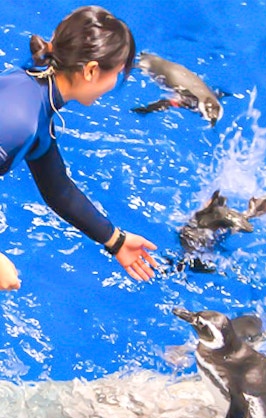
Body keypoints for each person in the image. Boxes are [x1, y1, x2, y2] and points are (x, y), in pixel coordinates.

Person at [0, 6, 157, 282]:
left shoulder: (37, 93)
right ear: (92, 70)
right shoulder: (20, 120)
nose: (113, 85)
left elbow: (58, 190)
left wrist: (115, 240)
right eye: (116, 74)